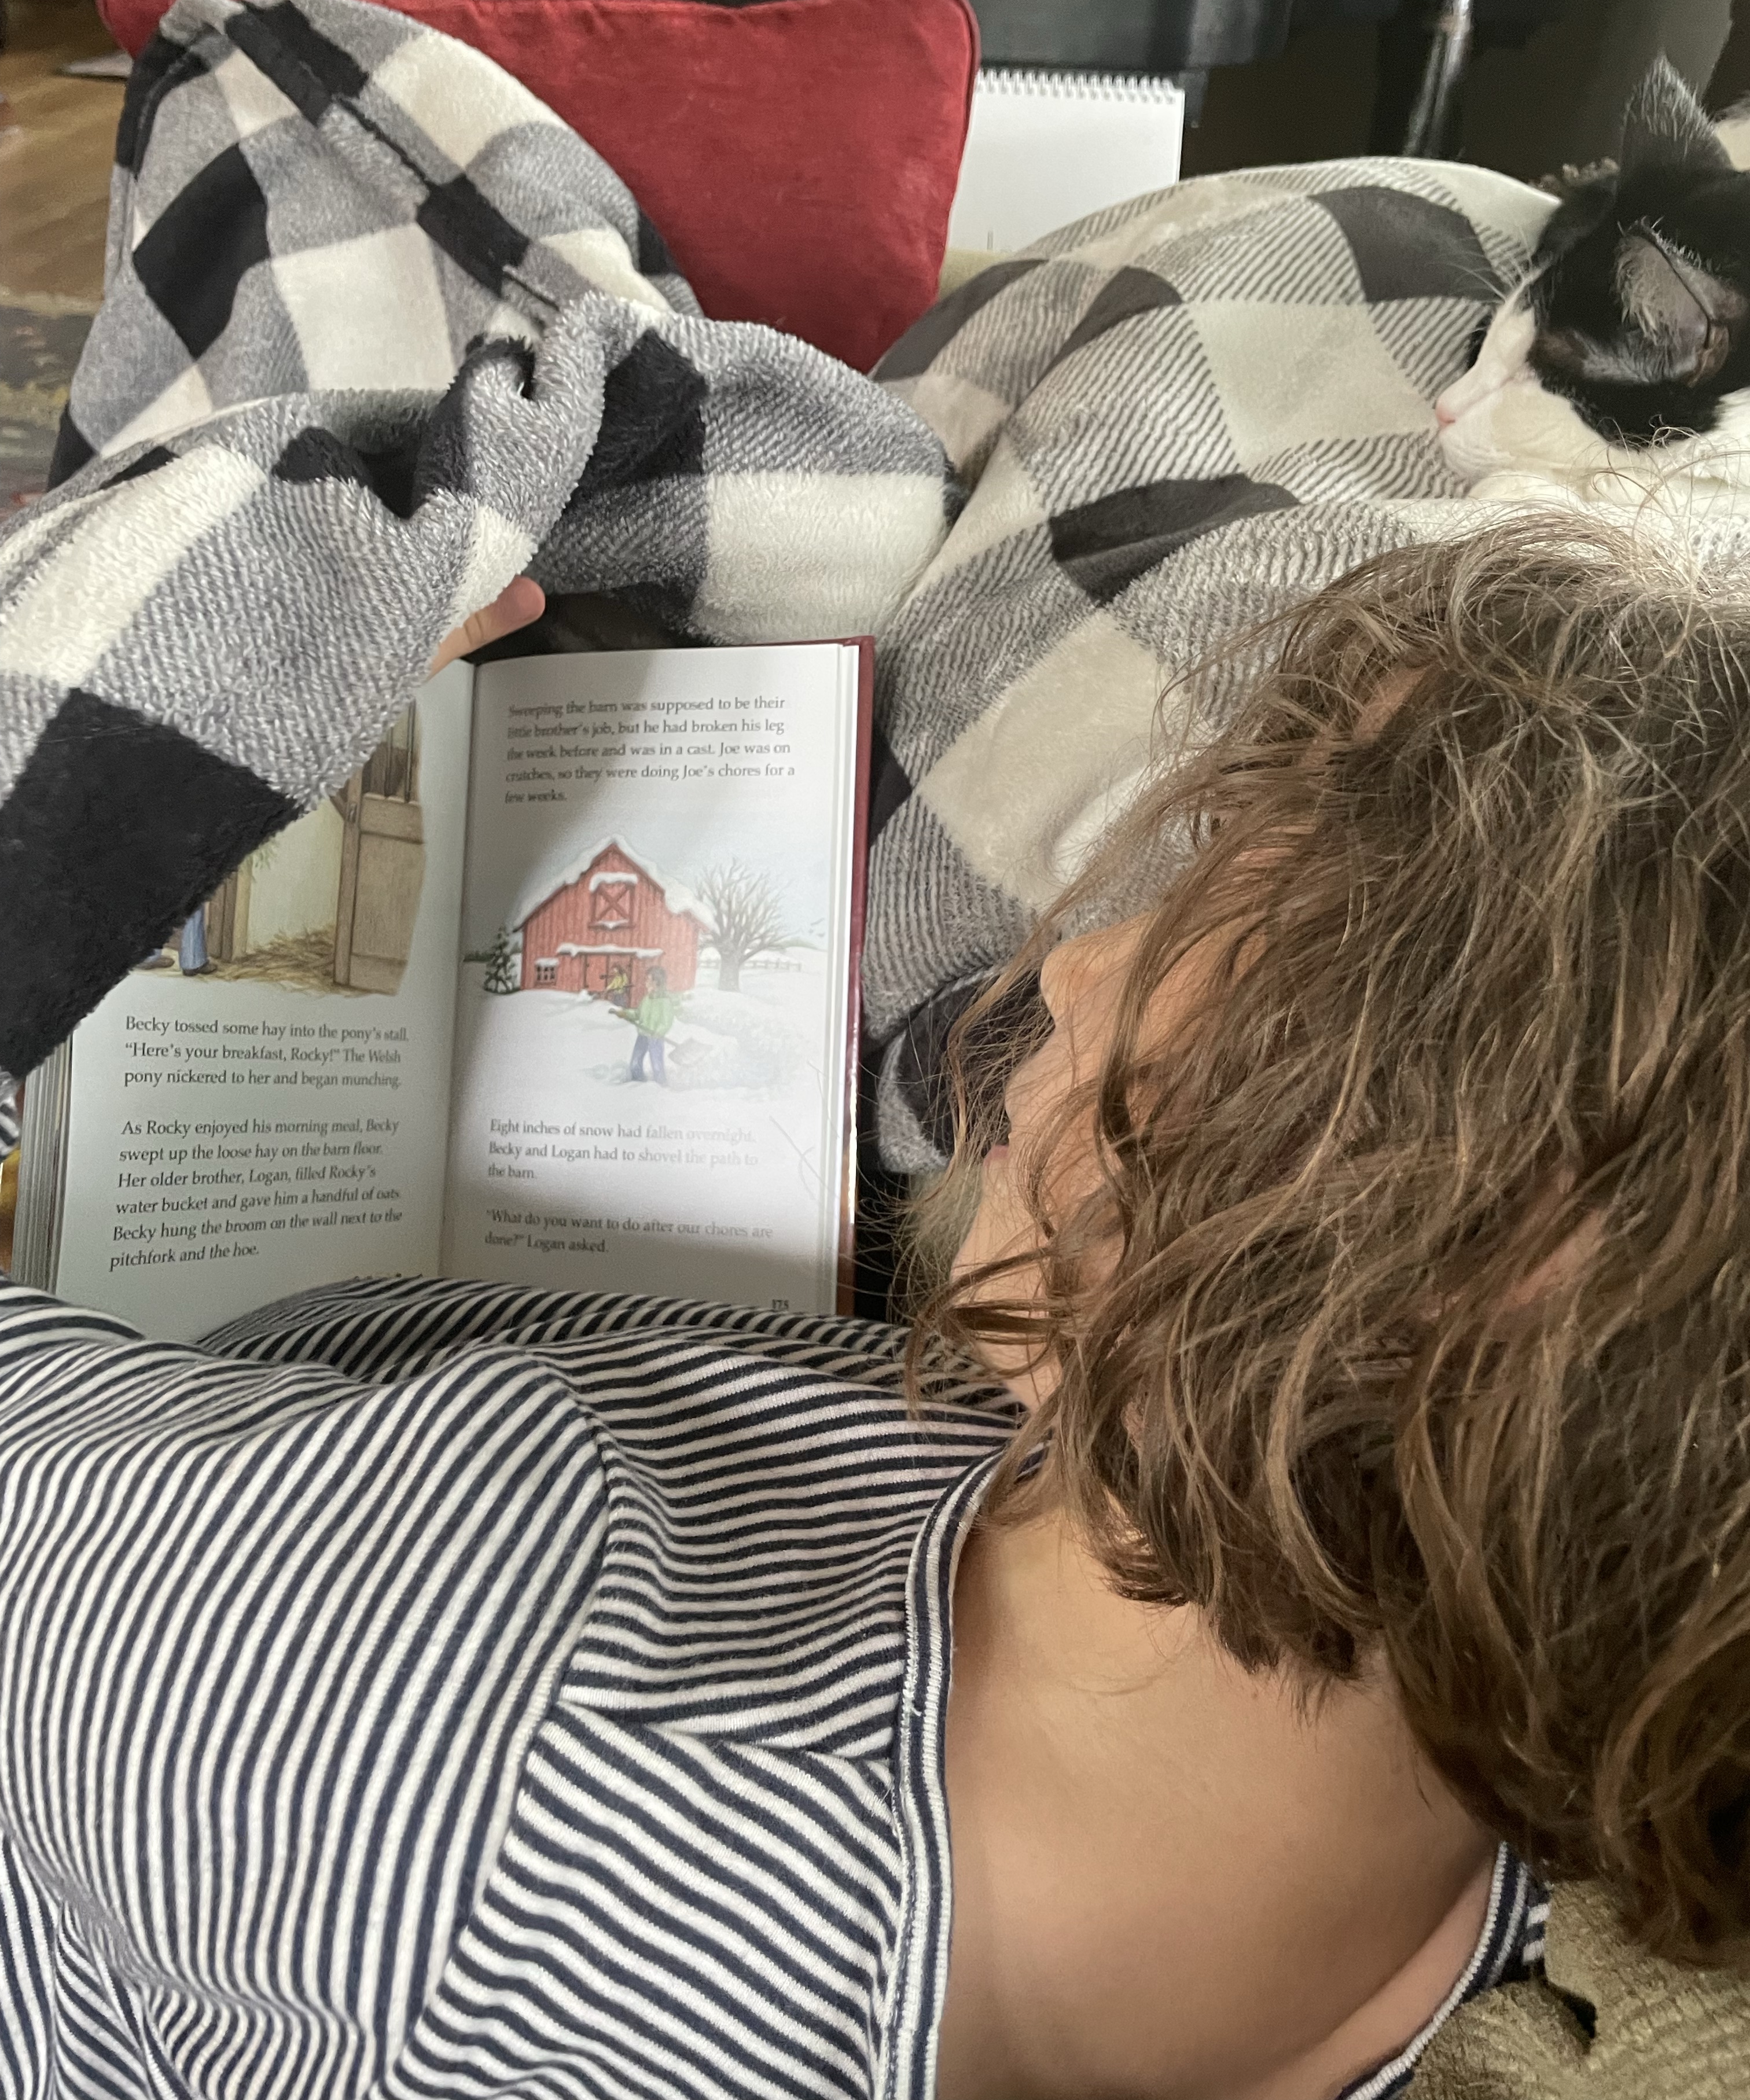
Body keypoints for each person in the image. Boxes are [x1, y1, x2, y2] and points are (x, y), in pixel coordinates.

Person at [1, 524, 1748, 2100]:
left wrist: (111, 782)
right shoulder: (1515, 1776)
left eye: (1244, 896)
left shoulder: (474, 1707)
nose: (1071, 962)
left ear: (1473, 1260)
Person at [620, 962, 677, 1084]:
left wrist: (658, 1032)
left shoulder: (665, 1002)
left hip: (655, 1038)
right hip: (643, 1035)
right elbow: (638, 1014)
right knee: (635, 1063)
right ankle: (638, 1084)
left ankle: (661, 1086)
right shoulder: (646, 999)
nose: (645, 982)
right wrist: (625, 1013)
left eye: (648, 980)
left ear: (656, 982)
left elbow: (666, 1022)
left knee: (657, 1065)